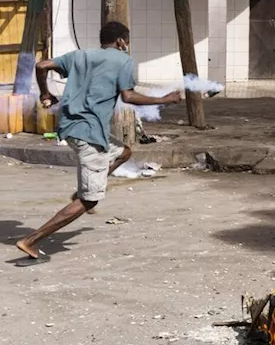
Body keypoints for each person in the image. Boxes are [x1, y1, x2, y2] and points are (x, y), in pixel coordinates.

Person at [15, 22, 181, 264]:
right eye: (127, 41)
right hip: (89, 133)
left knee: (123, 152)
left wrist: (45, 93)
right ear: (121, 42)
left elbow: (42, 66)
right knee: (90, 199)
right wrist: (163, 98)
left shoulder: (79, 55)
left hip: (73, 127)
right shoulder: (123, 61)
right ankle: (31, 240)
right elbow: (129, 96)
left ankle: (87, 188)